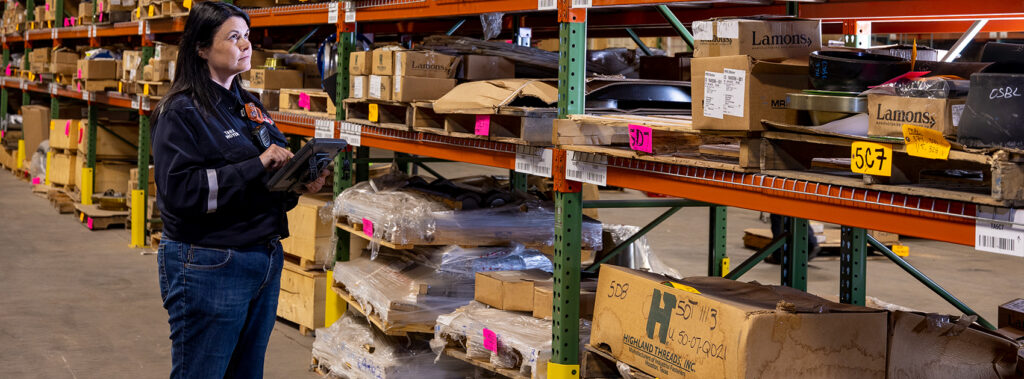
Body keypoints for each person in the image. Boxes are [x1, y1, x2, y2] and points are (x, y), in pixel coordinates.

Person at [150, 2, 329, 377]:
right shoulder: (181, 112)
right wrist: (258, 164)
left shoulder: (250, 108)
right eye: (234, 37)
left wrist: (298, 181)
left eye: (247, 36)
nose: (245, 45)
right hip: (209, 263)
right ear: (201, 48)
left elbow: (269, 184)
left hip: (262, 259)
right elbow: (181, 194)